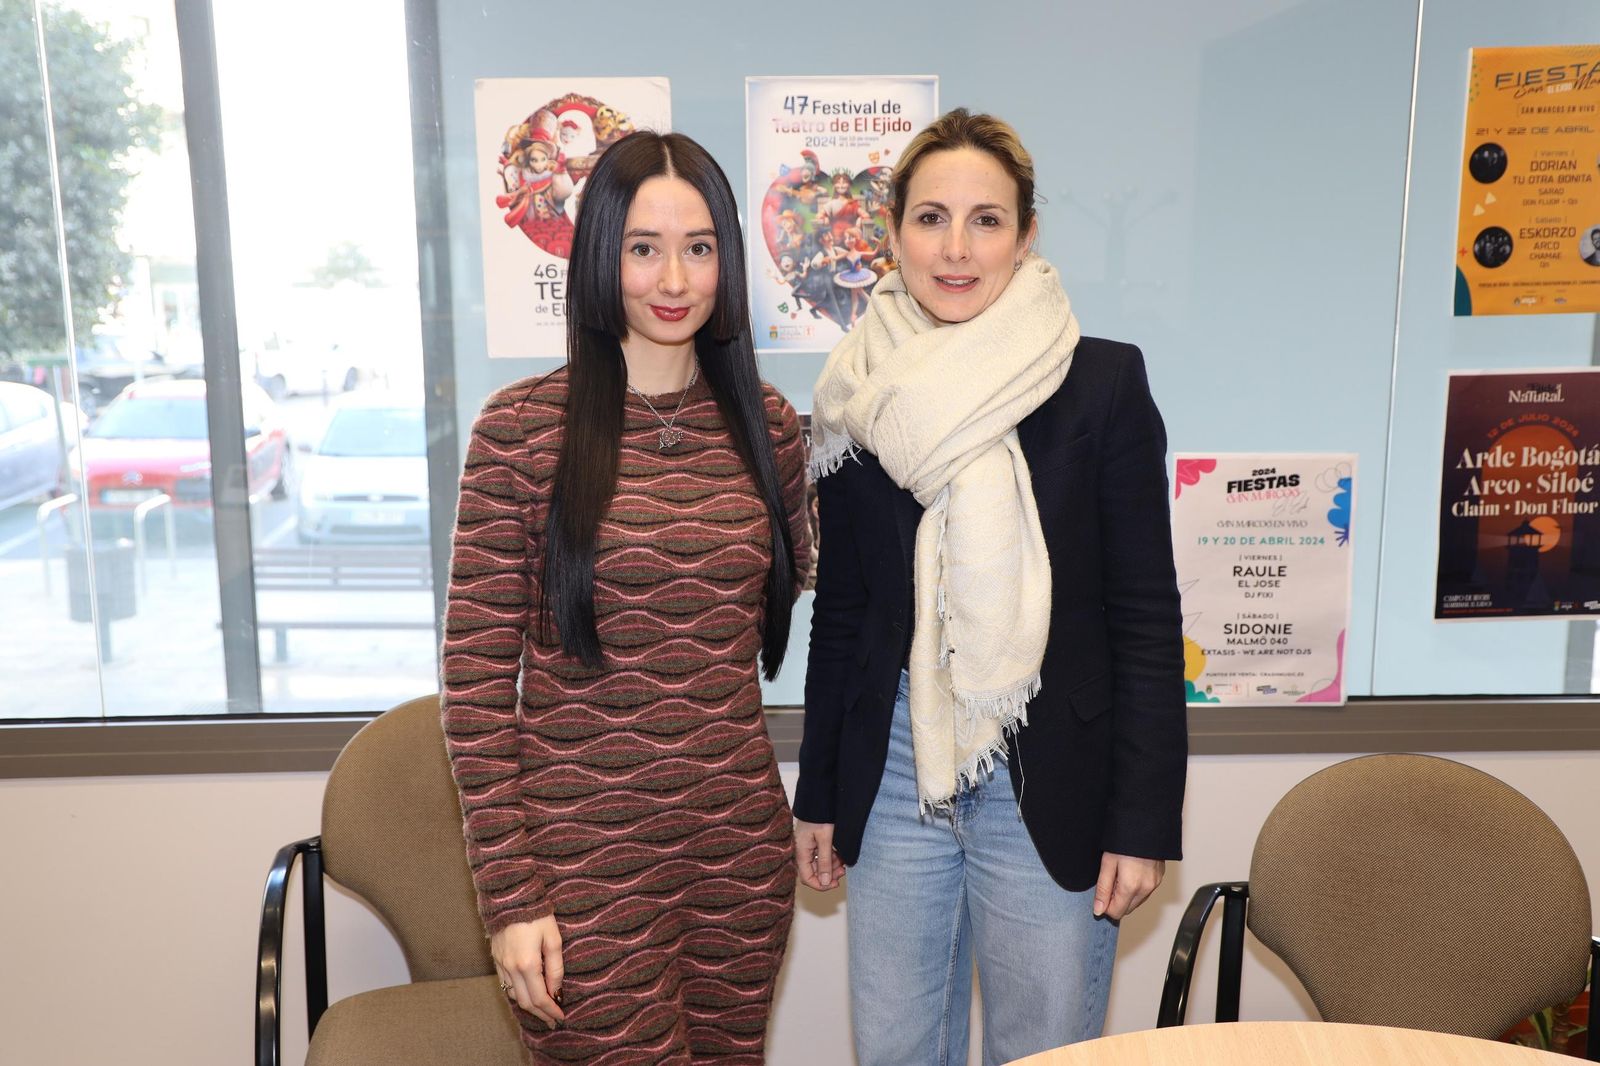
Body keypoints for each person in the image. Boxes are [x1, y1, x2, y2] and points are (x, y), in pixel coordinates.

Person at [794, 108, 1186, 1066]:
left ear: (1027, 234)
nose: (956, 249)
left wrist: (1143, 820)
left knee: (1042, 1051)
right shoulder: (859, 391)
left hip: (1048, 773)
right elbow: (842, 608)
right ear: (891, 233)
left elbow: (1145, 616)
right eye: (930, 219)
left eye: (986, 220)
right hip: (891, 773)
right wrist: (817, 791)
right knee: (893, 1049)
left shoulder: (1102, 384)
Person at [441, 130, 813, 1064]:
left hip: (739, 854)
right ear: (601, 256)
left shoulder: (769, 427)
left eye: (699, 246)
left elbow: (818, 595)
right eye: (643, 247)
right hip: (579, 868)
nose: (673, 277)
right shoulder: (522, 430)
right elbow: (477, 692)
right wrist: (511, 895)